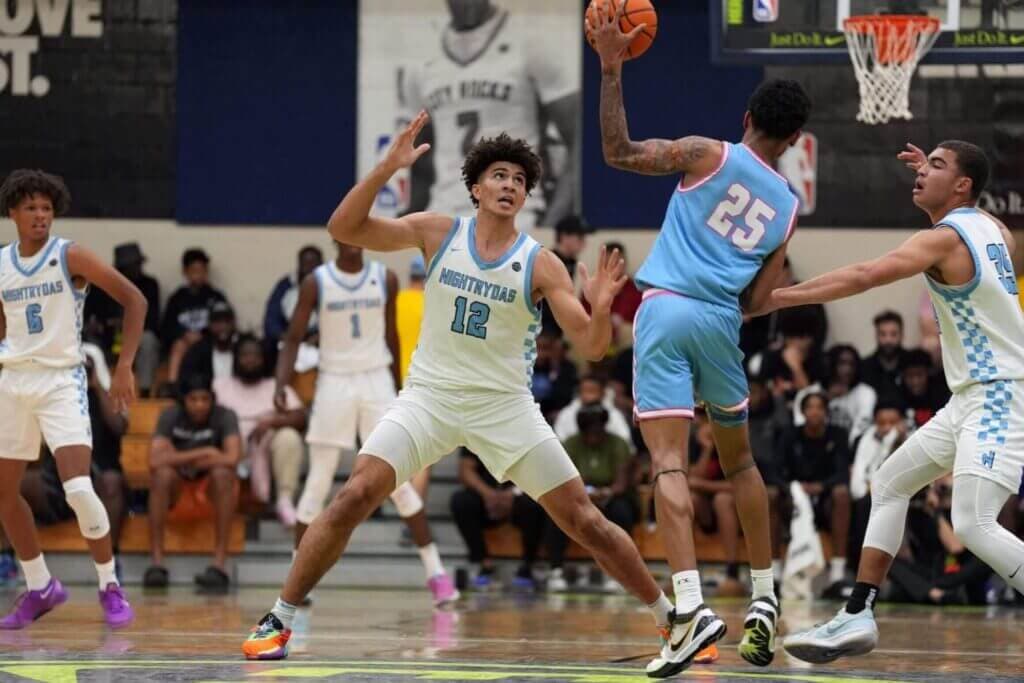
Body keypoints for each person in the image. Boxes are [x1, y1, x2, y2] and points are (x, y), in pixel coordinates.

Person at [241, 113, 675, 666]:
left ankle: (669, 619)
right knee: (353, 494)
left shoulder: (541, 263)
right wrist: (385, 169)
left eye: (519, 180)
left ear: (524, 197)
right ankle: (280, 614)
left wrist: (603, 311)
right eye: (499, 175)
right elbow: (344, 229)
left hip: (504, 406)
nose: (509, 185)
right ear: (475, 187)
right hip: (430, 396)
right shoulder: (436, 231)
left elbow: (591, 348)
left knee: (584, 519)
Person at [591, 3, 811, 672]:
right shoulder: (788, 207)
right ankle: (766, 594)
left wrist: (610, 69)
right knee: (741, 463)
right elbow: (761, 300)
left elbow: (618, 152)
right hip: (720, 321)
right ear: (795, 138)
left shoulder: (705, 154)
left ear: (747, 118)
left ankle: (689, 608)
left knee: (669, 464)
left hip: (664, 309)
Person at [776, 141, 1024, 662]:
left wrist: (777, 298)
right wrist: (950, 189)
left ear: (962, 186)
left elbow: (864, 275)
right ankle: (857, 615)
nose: (920, 172)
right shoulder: (991, 230)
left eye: (936, 166)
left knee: (973, 524)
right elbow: (997, 230)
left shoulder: (943, 239)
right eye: (923, 162)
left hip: (1000, 393)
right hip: (968, 398)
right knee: (888, 482)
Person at [271, 240, 458, 608]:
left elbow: (392, 336)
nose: (355, 237)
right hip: (334, 380)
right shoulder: (317, 281)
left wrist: (402, 386)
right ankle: (297, 578)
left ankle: (436, 573)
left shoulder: (383, 277)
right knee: (319, 479)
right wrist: (281, 382)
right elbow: (293, 337)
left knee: (399, 480)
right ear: (338, 237)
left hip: (376, 380)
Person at [0, 169, 144, 629]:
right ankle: (40, 585)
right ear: (13, 214)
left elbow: (134, 300)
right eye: (31, 208)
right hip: (14, 382)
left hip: (61, 382)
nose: (40, 216)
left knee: (79, 487)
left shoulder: (70, 255)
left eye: (46, 208)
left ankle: (109, 585)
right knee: (3, 495)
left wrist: (123, 367)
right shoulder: (2, 263)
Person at [400, 0, 580, 230]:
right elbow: (420, 164)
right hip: (445, 218)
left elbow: (579, 140)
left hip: (519, 217)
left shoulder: (530, 42)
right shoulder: (421, 61)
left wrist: (552, 224)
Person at [145, 373, 241, 590]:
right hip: (178, 487)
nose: (199, 405)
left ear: (212, 399)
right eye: (193, 400)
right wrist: (205, 452)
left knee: (223, 474)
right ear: (184, 400)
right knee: (161, 475)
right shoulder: (170, 415)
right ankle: (157, 564)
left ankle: (218, 565)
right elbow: (154, 460)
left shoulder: (225, 416)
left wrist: (176, 456)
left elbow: (232, 458)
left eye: (205, 399)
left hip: (209, 489)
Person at [213, 334, 307, 527]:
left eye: (255, 355)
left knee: (288, 437)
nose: (250, 360)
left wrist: (272, 423)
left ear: (263, 359)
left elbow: (300, 418)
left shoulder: (276, 387)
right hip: (231, 445)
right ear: (236, 358)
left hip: (266, 444)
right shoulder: (220, 386)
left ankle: (284, 500)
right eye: (245, 355)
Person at [547, 401, 637, 593]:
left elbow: (621, 483)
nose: (594, 435)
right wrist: (585, 494)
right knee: (557, 516)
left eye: (598, 429)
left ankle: (620, 573)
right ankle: (556, 570)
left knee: (621, 512)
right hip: (579, 496)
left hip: (612, 497)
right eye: (589, 430)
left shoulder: (618, 443)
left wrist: (606, 493)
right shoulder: (571, 443)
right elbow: (564, 478)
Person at [777, 392, 853, 597]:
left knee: (842, 494)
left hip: (825, 499)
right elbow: (777, 470)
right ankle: (775, 571)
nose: (815, 412)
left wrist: (821, 486)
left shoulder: (838, 434)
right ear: (802, 412)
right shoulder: (790, 434)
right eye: (810, 407)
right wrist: (792, 487)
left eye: (820, 407)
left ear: (826, 412)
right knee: (770, 495)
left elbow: (843, 473)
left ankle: (837, 572)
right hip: (794, 498)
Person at [450, 449, 547, 591]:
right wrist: (488, 494)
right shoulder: (476, 429)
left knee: (534, 505)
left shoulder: (527, 430)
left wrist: (513, 494)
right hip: (485, 496)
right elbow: (465, 469)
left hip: (520, 494)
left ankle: (527, 566)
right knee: (461, 501)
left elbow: (539, 469)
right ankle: (484, 564)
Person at [83, 242, 162, 396]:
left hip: (135, 338)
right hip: (107, 339)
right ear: (121, 269)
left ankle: (144, 392)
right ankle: (102, 393)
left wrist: (130, 325)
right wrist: (106, 324)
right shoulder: (100, 287)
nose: (137, 269)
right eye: (132, 266)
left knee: (149, 339)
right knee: (90, 346)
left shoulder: (149, 285)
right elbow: (89, 318)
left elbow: (153, 321)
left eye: (138, 264)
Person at [162, 248, 229, 386]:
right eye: (194, 270)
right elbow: (166, 326)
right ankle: (172, 385)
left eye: (202, 270)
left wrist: (203, 335)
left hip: (209, 341)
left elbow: (226, 323)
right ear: (185, 272)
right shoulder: (177, 298)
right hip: (184, 342)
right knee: (178, 346)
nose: (198, 275)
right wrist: (184, 334)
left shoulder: (216, 297)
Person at [263, 245, 323, 350]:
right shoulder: (285, 285)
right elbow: (271, 320)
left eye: (313, 263)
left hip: (320, 341)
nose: (309, 267)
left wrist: (318, 337)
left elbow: (337, 322)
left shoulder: (330, 286)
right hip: (287, 338)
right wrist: (285, 337)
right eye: (305, 263)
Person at [178, 301, 239, 387]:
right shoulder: (197, 351)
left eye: (227, 321)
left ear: (234, 323)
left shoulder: (242, 350)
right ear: (209, 325)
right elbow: (185, 382)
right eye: (217, 322)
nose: (223, 326)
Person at [861, 311, 909, 397]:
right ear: (876, 336)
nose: (888, 340)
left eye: (893, 334)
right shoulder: (865, 367)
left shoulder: (912, 364)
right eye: (883, 334)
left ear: (902, 335)